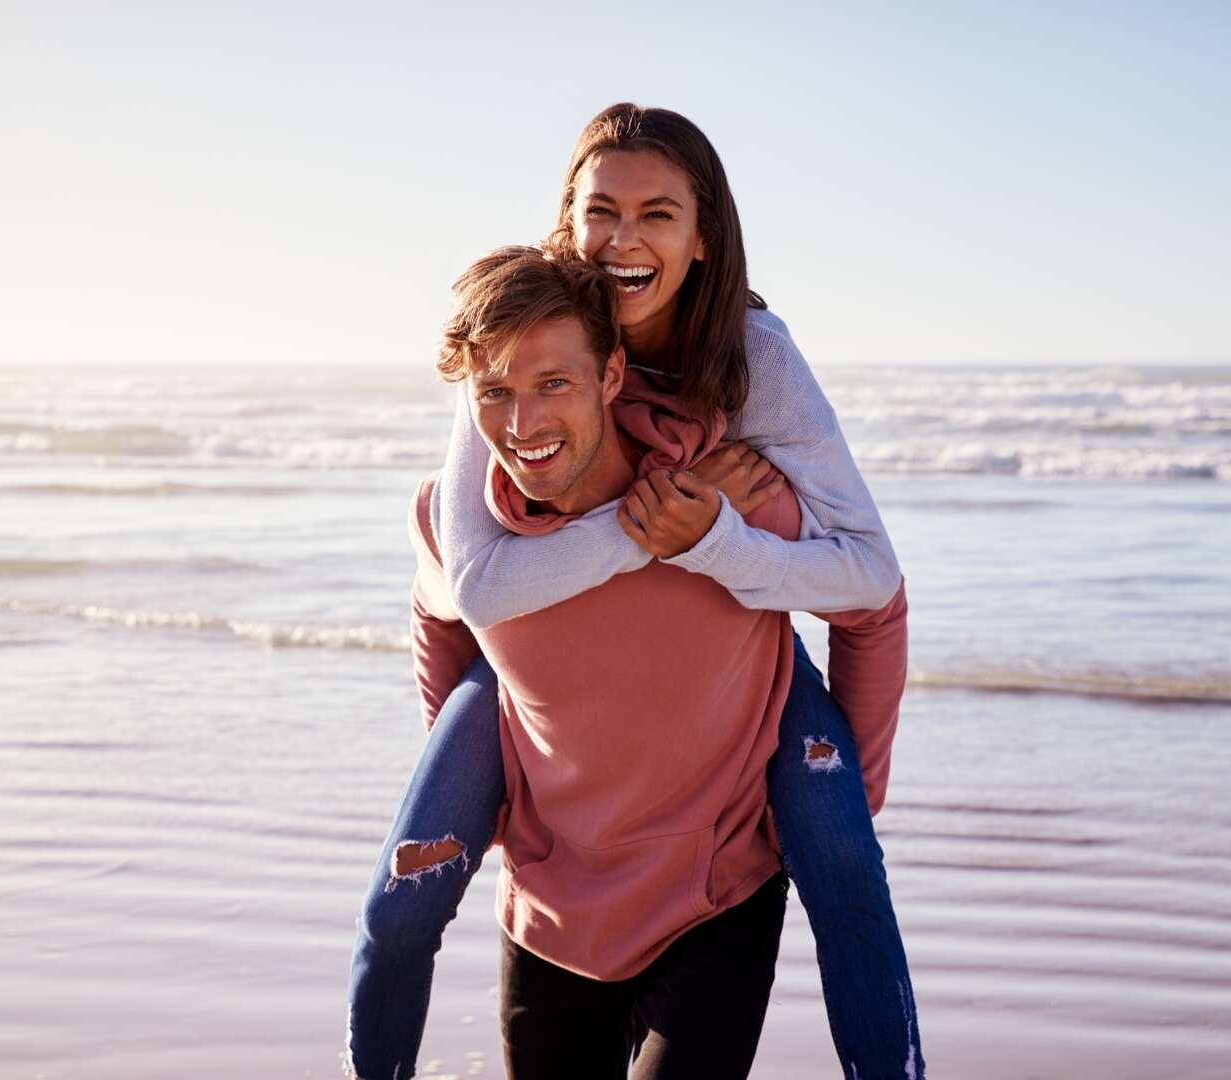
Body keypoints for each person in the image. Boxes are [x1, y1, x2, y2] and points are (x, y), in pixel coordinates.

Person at [347, 104, 923, 1080]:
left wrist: (718, 539)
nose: (622, 241)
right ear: (563, 220)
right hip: (533, 655)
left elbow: (870, 575)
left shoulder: (754, 360)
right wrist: (487, 770)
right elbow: (467, 580)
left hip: (740, 667)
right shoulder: (513, 338)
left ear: (705, 238)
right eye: (599, 211)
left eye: (658, 214)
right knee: (398, 903)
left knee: (844, 868)